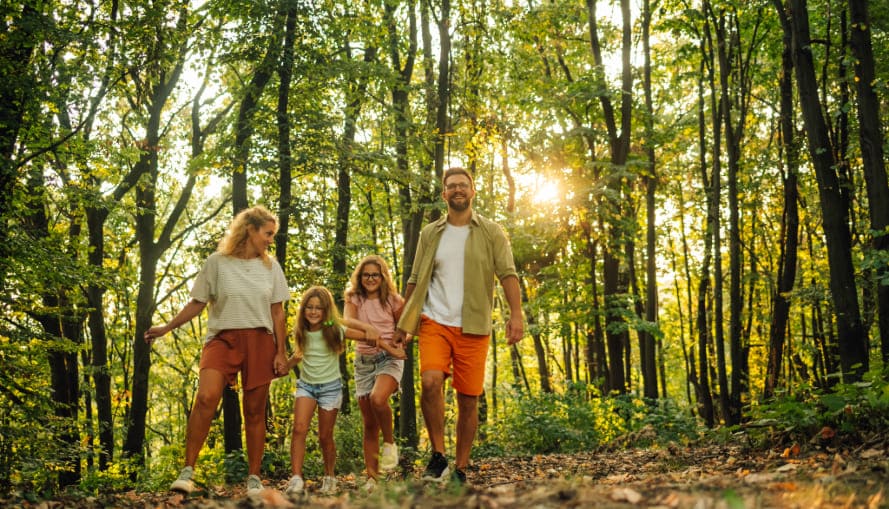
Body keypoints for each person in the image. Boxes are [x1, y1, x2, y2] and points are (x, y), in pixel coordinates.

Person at [144, 205, 290, 497]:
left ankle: (254, 477)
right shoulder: (217, 263)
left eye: (273, 235)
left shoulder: (271, 267)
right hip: (222, 338)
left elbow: (278, 313)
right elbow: (198, 303)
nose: (271, 240)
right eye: (268, 233)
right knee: (206, 396)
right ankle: (187, 472)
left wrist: (281, 352)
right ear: (250, 229)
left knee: (254, 410)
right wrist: (167, 327)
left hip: (260, 339)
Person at [392, 167, 524, 485]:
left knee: (468, 399)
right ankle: (438, 456)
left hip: (473, 326)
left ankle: (461, 467)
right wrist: (402, 324)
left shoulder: (491, 231)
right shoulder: (430, 233)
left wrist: (516, 315)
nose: (457, 190)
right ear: (444, 195)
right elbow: (413, 278)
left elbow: (508, 273)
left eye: (463, 185)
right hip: (434, 321)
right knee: (430, 382)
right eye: (451, 186)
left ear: (473, 191)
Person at [284, 285, 387, 495]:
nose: (313, 312)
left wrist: (384, 341)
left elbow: (364, 336)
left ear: (325, 311)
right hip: (306, 386)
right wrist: (283, 366)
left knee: (325, 436)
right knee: (299, 429)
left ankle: (330, 476)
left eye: (318, 308)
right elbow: (297, 356)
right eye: (309, 307)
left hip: (330, 389)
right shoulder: (301, 330)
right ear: (304, 310)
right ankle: (296, 478)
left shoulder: (334, 329)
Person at [343, 255, 406, 492]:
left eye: (375, 275)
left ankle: (389, 443)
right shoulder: (354, 298)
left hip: (389, 358)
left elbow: (404, 329)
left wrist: (401, 342)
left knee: (378, 399)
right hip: (364, 362)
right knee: (369, 424)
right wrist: (367, 329)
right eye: (366, 274)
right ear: (360, 277)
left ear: (383, 277)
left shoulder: (392, 299)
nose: (370, 279)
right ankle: (372, 478)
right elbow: (347, 323)